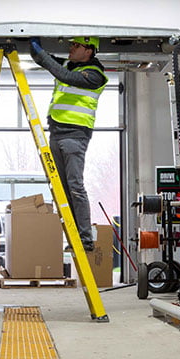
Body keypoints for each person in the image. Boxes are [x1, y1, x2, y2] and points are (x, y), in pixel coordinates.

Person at [29, 36, 108, 251]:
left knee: (75, 186)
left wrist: (42, 54)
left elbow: (63, 75)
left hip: (75, 134)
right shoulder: (68, 64)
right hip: (57, 132)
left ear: (89, 51)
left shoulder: (95, 75)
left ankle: (85, 239)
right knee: (62, 188)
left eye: (76, 45)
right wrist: (35, 47)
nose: (70, 48)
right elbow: (44, 61)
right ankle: (73, 237)